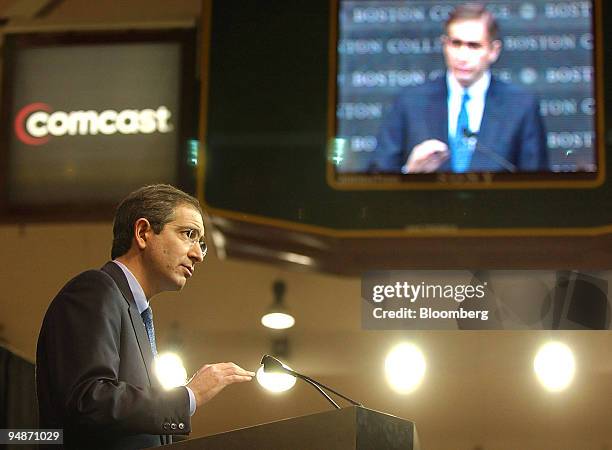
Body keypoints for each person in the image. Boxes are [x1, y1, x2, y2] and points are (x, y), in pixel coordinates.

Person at [36, 184, 255, 450]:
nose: (197, 254)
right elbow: (88, 400)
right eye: (188, 234)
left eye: (201, 244)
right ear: (142, 233)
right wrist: (189, 396)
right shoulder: (95, 289)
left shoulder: (135, 314)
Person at [372, 2, 548, 173]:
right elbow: (377, 176)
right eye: (456, 44)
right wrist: (409, 173)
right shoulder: (411, 102)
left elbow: (537, 184)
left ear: (493, 51)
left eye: (473, 46)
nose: (462, 56)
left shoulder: (520, 105)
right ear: (444, 45)